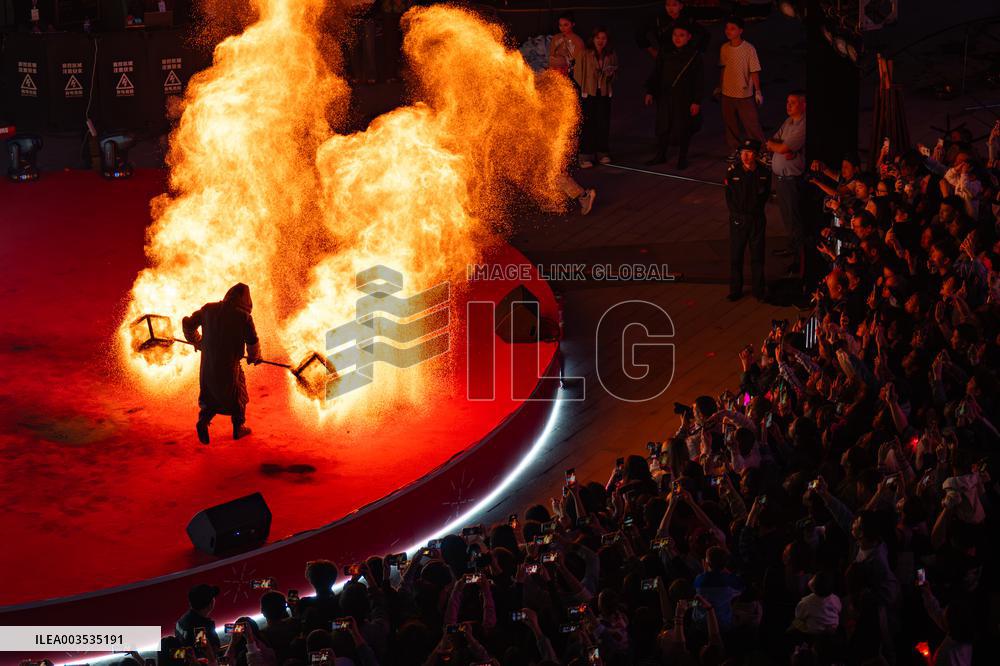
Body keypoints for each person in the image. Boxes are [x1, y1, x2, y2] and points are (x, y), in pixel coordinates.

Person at [182, 282, 262, 444]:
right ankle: (238, 427)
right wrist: (255, 357)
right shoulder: (244, 317)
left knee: (209, 394)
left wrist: (196, 340)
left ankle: (203, 421)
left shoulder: (208, 309)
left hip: (208, 364)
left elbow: (188, 324)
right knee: (238, 394)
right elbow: (252, 341)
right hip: (230, 366)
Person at [644, 23, 704, 169]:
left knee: (683, 127)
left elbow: (699, 79)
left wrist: (696, 101)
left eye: (681, 35)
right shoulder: (665, 52)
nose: (677, 38)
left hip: (684, 98)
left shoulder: (694, 55)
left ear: (689, 37)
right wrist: (650, 91)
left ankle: (682, 158)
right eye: (675, 35)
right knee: (663, 126)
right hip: (665, 96)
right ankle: (661, 155)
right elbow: (657, 72)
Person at [725, 139, 771, 301]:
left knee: (757, 256)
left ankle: (758, 290)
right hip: (739, 219)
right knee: (736, 256)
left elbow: (765, 195)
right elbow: (729, 196)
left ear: (756, 154)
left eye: (749, 152)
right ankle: (735, 290)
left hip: (757, 218)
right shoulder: (733, 172)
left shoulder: (764, 173)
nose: (745, 156)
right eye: (743, 152)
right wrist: (736, 215)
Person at [766, 91, 807, 272]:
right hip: (781, 179)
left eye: (793, 102)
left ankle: (799, 260)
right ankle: (792, 248)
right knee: (786, 217)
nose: (788, 106)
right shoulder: (788, 121)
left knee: (794, 219)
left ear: (803, 105)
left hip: (791, 180)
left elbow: (781, 147)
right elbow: (773, 141)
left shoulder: (803, 125)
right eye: (787, 102)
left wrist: (783, 147)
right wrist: (781, 147)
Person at [718, 16, 764, 155]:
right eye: (727, 28)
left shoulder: (749, 48)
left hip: (744, 94)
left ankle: (760, 151)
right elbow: (723, 67)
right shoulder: (724, 48)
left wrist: (757, 91)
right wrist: (720, 86)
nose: (728, 31)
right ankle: (735, 151)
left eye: (732, 28)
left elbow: (754, 70)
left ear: (740, 30)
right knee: (730, 125)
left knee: (752, 124)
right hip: (727, 93)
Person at [577, 28, 618, 168]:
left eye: (604, 38)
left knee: (603, 122)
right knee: (588, 124)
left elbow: (615, 71)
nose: (601, 41)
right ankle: (585, 155)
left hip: (604, 92)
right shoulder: (585, 53)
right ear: (593, 39)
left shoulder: (610, 54)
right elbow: (578, 72)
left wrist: (611, 74)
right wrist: (585, 86)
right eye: (598, 38)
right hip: (589, 92)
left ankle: (602, 152)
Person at [635, 0, 709, 58]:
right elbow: (640, 32)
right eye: (668, 5)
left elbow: (705, 34)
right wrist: (652, 50)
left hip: (685, 54)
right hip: (665, 54)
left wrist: (699, 51)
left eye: (674, 5)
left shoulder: (687, 18)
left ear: (680, 6)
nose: (670, 8)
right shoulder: (658, 19)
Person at [175, 583, 222, 651]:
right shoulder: (201, 629)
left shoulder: (182, 619)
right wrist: (233, 641)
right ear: (211, 604)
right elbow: (211, 652)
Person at [548, 11, 585, 86]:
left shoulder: (578, 41)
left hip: (570, 76)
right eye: (560, 25)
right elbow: (551, 56)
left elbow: (577, 63)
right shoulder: (556, 38)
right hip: (555, 74)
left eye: (566, 25)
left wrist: (564, 60)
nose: (562, 28)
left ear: (573, 24)